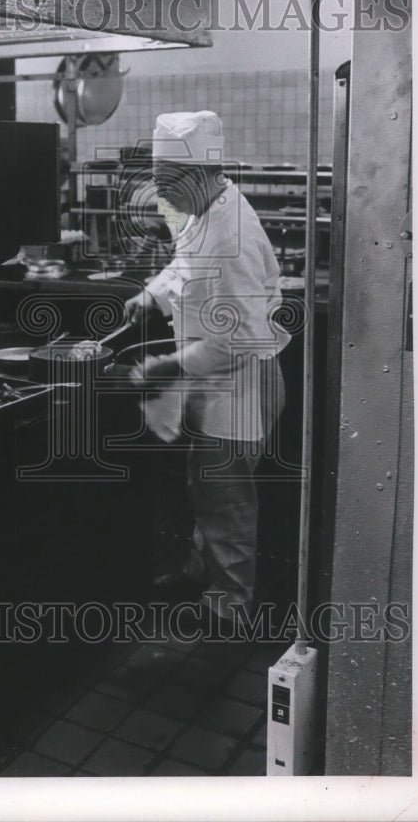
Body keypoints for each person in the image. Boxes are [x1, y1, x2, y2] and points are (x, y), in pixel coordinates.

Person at [123, 110, 290, 631]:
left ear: (201, 174)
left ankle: (230, 607)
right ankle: (208, 574)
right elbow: (183, 263)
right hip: (214, 379)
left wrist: (169, 365)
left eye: (170, 183)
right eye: (159, 181)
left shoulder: (229, 234)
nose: (162, 196)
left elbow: (236, 338)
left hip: (239, 385)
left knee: (226, 503)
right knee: (206, 488)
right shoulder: (200, 210)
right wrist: (150, 294)